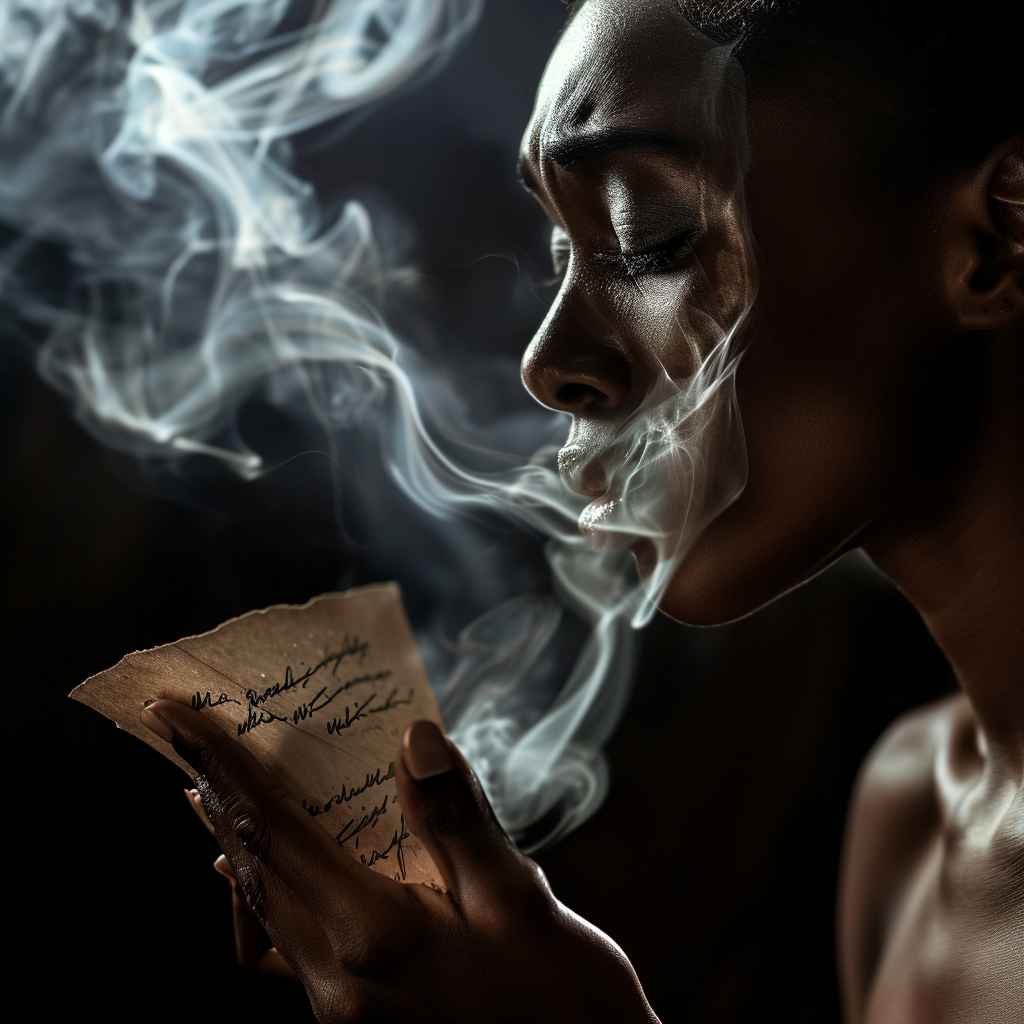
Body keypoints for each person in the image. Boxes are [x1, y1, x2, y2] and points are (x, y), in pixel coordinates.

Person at [140, 0, 1024, 1020]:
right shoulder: (912, 811)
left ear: (998, 234)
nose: (546, 363)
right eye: (562, 253)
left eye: (643, 238)